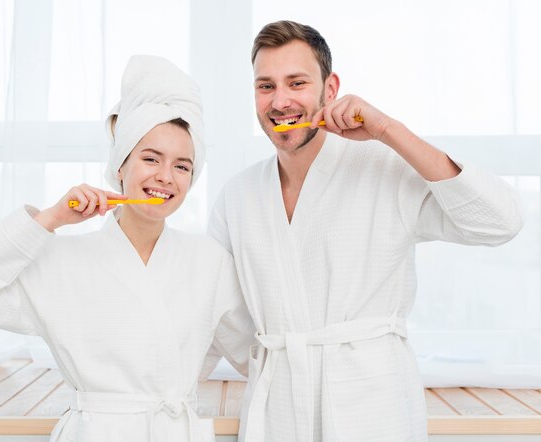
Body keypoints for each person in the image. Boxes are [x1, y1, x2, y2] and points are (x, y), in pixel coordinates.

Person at [208, 20, 523, 442]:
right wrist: (276, 360)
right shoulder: (237, 196)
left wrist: (387, 131)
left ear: (330, 88)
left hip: (372, 406)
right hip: (278, 407)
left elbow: (500, 221)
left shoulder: (383, 167)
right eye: (266, 86)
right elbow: (217, 310)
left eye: (296, 82)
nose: (280, 100)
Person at [0, 55, 255, 442]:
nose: (165, 177)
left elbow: (253, 354)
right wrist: (51, 218)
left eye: (182, 166)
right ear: (120, 165)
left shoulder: (210, 263)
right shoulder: (63, 261)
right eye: (150, 158)